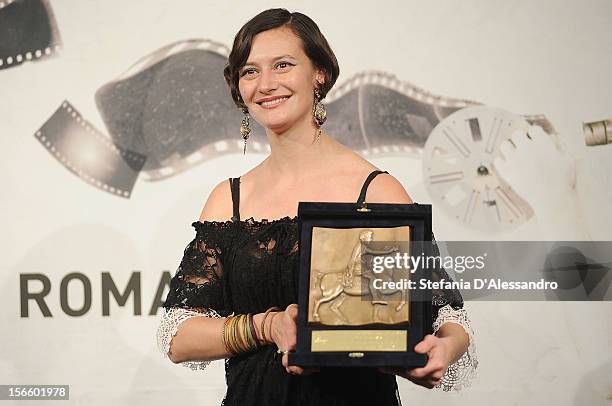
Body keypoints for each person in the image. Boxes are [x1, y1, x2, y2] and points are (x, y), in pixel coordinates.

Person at [156, 8, 477, 406]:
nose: (266, 84)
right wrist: (266, 326)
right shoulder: (229, 200)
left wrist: (443, 350)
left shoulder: (374, 191)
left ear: (319, 73)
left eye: (283, 65)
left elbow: (447, 316)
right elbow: (178, 334)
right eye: (250, 71)